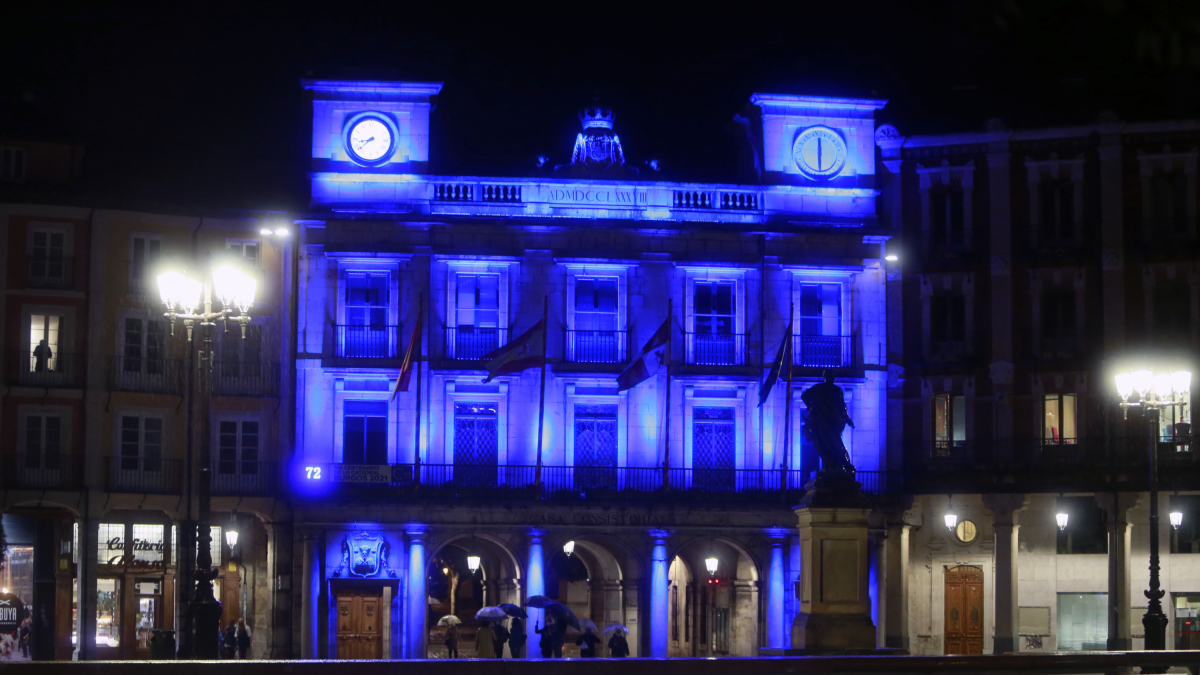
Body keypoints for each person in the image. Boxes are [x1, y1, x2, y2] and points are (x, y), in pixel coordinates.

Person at [800, 369, 856, 477]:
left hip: (831, 422)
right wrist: (811, 406)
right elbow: (842, 407)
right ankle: (833, 465)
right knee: (824, 444)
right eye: (831, 376)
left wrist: (847, 419)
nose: (832, 378)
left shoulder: (829, 389)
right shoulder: (829, 389)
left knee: (832, 443)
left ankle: (839, 465)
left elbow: (842, 406)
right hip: (823, 422)